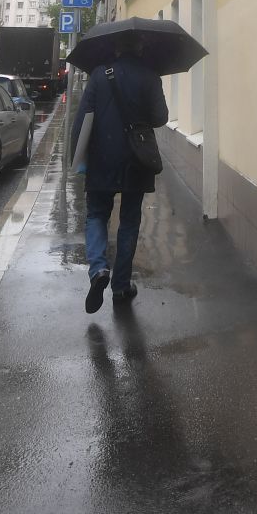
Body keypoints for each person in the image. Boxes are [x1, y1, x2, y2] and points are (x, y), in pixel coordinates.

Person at [73, 32, 170, 313]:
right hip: (136, 158)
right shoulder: (151, 76)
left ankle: (99, 270)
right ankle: (121, 287)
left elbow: (83, 118)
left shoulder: (100, 75)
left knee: (96, 214)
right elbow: (160, 118)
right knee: (129, 220)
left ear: (116, 48)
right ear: (140, 46)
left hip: (102, 156)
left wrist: (78, 159)